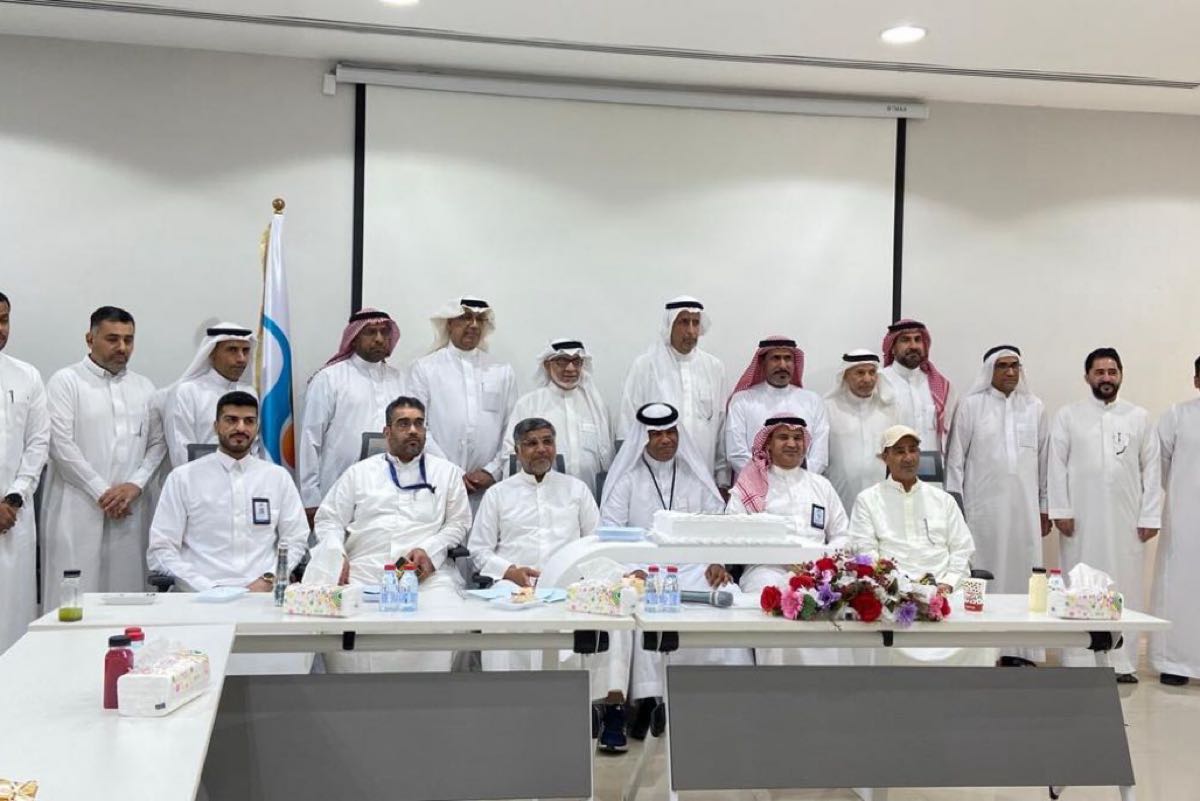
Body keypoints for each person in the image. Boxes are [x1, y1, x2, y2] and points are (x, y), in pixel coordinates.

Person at [471, 418, 631, 753]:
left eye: (547, 441)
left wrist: (592, 577)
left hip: (573, 584)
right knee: (499, 619)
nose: (541, 449)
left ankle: (611, 710)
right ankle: (508, 711)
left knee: (613, 614)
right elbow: (479, 550)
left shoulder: (577, 490)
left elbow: (597, 542)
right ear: (517, 451)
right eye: (532, 443)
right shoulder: (498, 494)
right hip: (516, 585)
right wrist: (509, 571)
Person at [599, 402, 750, 736]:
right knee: (638, 604)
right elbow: (609, 533)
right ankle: (649, 698)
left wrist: (717, 562)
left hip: (693, 566)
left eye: (671, 432)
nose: (666, 440)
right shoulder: (627, 480)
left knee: (727, 594)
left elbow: (717, 526)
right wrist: (631, 570)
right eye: (657, 434)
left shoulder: (694, 476)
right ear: (643, 437)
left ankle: (727, 690)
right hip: (643, 567)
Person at [306, 396, 471, 672]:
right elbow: (328, 519)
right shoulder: (358, 473)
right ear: (387, 432)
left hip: (426, 576)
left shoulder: (447, 473)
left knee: (446, 620)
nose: (413, 430)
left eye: (419, 423)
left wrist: (430, 551)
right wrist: (336, 553)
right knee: (342, 623)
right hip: (364, 570)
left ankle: (435, 695)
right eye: (403, 423)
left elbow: (459, 523)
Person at [41, 306, 166, 608]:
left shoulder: (144, 387)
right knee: (72, 600)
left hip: (130, 509)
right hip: (77, 507)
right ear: (90, 339)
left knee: (126, 598)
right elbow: (60, 445)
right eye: (112, 339)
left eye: (128, 340)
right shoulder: (66, 381)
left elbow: (157, 444)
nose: (122, 347)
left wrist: (135, 485)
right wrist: (102, 492)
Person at [1049, 348, 1162, 682]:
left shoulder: (1138, 417)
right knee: (1081, 584)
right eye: (1099, 372)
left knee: (1125, 588)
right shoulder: (1068, 416)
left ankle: (1122, 663)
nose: (1106, 378)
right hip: (1080, 522)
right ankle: (1079, 660)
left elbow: (1152, 468)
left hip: (1126, 522)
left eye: (1112, 372)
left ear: (1121, 375)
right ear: (1087, 377)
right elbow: (1056, 465)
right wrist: (1061, 510)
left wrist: (1149, 516)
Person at [945, 345, 1049, 666]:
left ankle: (1021, 649)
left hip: (1025, 513)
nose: (1010, 372)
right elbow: (955, 460)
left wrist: (1045, 506)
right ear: (989, 370)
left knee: (1025, 576)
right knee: (982, 574)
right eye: (1002, 366)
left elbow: (1044, 462)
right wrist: (956, 507)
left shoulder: (1035, 407)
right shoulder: (971, 405)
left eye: (1015, 366)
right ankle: (981, 648)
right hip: (983, 512)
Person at [147, 391, 308, 592]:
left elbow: (296, 539)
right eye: (231, 420)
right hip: (198, 596)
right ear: (216, 426)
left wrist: (268, 579)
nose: (240, 428)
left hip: (263, 594)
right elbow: (161, 549)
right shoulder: (182, 478)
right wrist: (206, 587)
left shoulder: (277, 478)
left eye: (249, 421)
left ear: (257, 428)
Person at [850, 425, 979, 666]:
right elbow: (865, 553)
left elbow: (962, 549)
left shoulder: (943, 500)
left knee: (977, 635)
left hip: (945, 592)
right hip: (894, 596)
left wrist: (948, 584)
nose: (908, 457)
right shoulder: (868, 500)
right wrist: (898, 590)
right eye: (899, 451)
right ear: (885, 457)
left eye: (913, 450)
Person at [299, 308, 440, 524]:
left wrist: (450, 472)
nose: (379, 339)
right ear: (354, 337)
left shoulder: (400, 380)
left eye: (384, 332)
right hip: (338, 487)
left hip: (391, 491)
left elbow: (418, 432)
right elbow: (310, 440)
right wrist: (310, 498)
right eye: (371, 332)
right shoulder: (330, 378)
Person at [730, 414, 848, 665]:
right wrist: (784, 560)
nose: (792, 444)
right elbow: (733, 535)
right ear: (768, 444)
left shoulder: (821, 486)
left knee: (839, 611)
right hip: (766, 569)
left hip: (817, 572)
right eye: (783, 437)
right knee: (773, 609)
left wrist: (820, 565)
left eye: (797, 438)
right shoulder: (749, 486)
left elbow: (842, 535)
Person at [409, 297, 516, 507]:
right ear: (450, 323)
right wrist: (451, 473)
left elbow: (511, 427)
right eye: (466, 318)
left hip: (488, 488)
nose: (474, 325)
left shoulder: (502, 371)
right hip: (437, 482)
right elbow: (418, 427)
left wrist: (492, 471)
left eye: (479, 319)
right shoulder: (425, 368)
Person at [619, 297, 728, 487]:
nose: (691, 331)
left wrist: (722, 479)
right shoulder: (645, 366)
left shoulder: (714, 368)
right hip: (654, 481)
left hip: (703, 479)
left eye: (696, 323)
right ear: (669, 325)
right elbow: (628, 426)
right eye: (684, 322)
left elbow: (721, 427)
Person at [0, 291, 50, 653]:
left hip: (14, 515)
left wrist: (15, 496)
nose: (1, 328)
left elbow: (38, 443)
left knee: (14, 614)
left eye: (4, 320)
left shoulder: (26, 375)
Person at [503, 338, 613, 493]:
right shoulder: (529, 405)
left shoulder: (597, 407)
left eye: (576, 362)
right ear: (547, 365)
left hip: (589, 495)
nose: (570, 368)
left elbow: (608, 458)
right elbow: (511, 455)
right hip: (540, 497)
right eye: (562, 361)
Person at [1150, 356, 1200, 686]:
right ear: (1196, 380)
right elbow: (1161, 468)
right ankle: (1175, 663)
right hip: (1186, 517)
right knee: (1180, 587)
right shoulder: (1176, 416)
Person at [726, 337, 830, 477]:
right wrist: (769, 481)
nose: (782, 365)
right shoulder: (742, 400)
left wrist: (797, 480)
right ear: (762, 363)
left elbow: (819, 456)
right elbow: (737, 454)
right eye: (775, 358)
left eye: (788, 358)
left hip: (802, 484)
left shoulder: (813, 401)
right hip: (755, 485)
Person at [163, 322, 257, 468]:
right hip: (198, 479)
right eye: (232, 350)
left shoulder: (250, 393)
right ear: (211, 353)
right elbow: (181, 452)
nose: (241, 359)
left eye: (245, 351)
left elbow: (254, 448)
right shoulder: (186, 392)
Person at [823, 350, 899, 512]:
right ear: (845, 375)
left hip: (881, 496)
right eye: (860, 373)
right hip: (839, 495)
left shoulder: (888, 409)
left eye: (872, 372)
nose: (867, 379)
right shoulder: (828, 408)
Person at [879, 319, 956, 453]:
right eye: (905, 340)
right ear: (892, 348)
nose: (913, 346)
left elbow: (949, 438)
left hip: (932, 465)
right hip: (891, 465)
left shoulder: (942, 387)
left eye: (918, 339)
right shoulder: (879, 382)